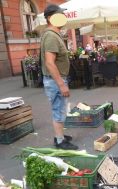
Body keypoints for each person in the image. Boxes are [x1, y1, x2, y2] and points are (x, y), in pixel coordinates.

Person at [40, 4, 78, 150]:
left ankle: (59, 136)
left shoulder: (52, 34)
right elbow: (50, 63)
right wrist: (61, 84)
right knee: (59, 109)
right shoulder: (50, 36)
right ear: (50, 18)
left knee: (60, 108)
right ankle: (60, 141)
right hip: (55, 81)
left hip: (55, 80)